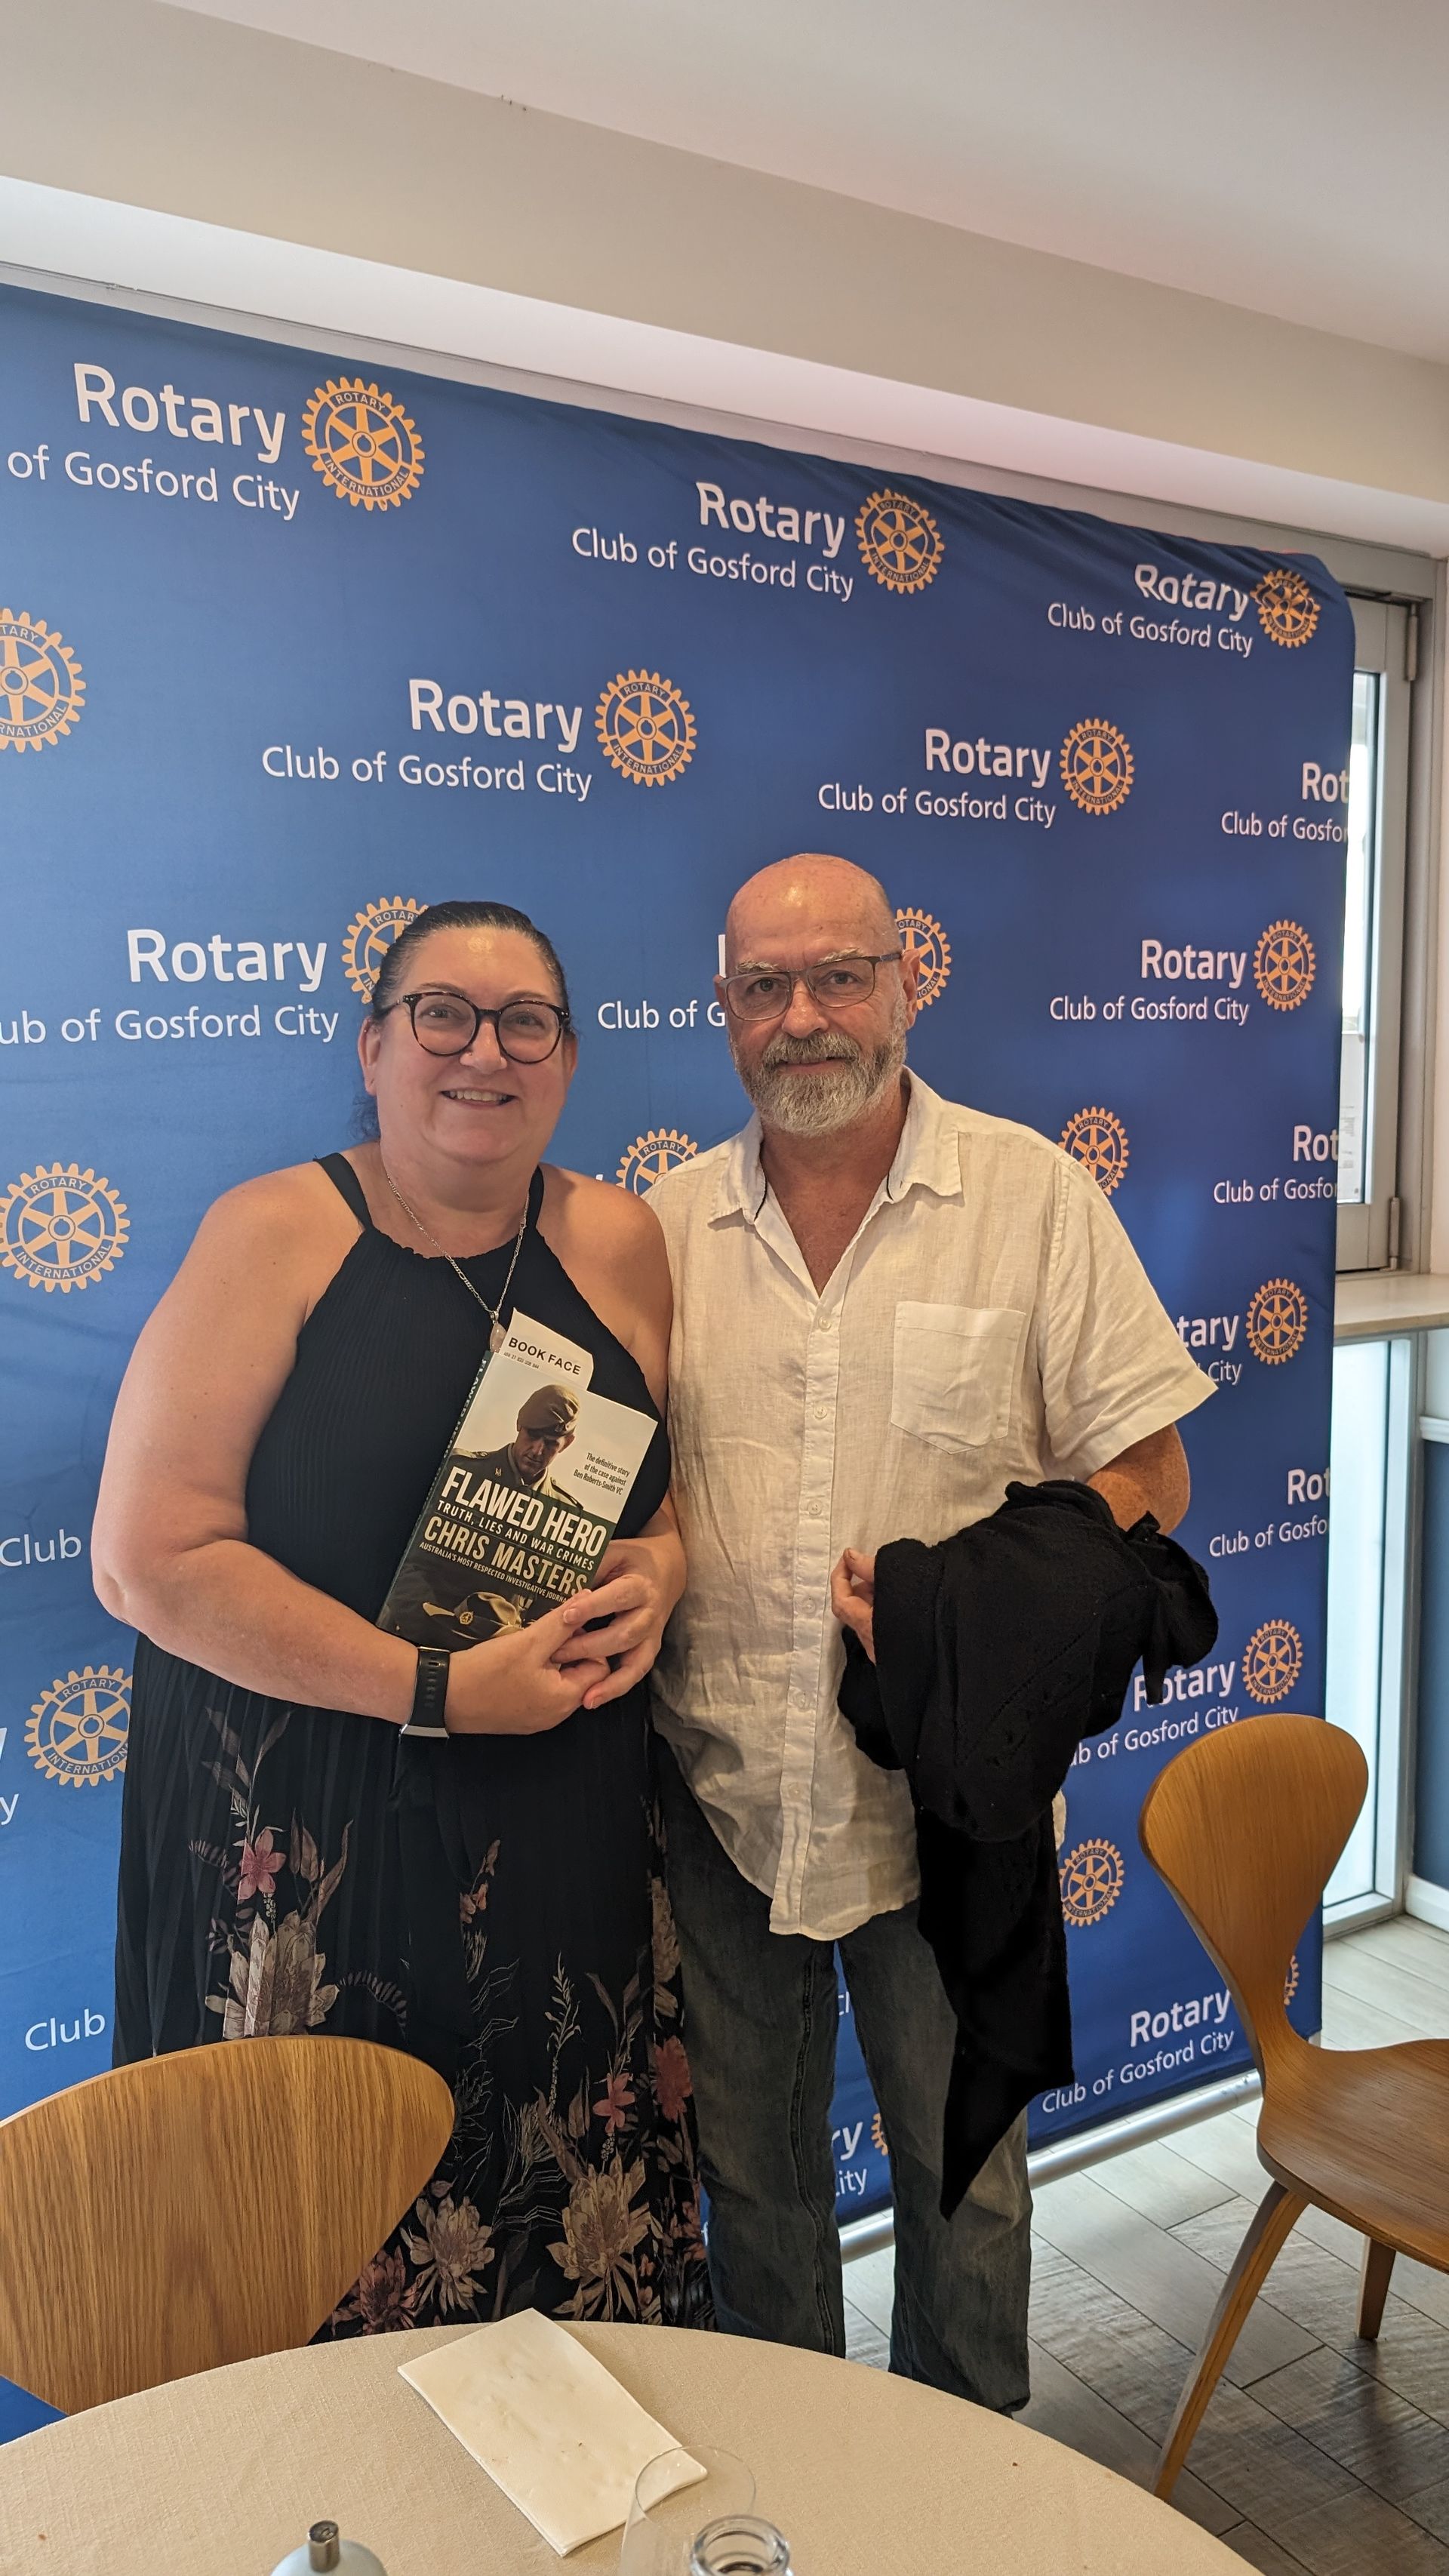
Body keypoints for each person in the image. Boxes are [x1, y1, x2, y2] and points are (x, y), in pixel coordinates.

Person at [93, 899, 709, 2333]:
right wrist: (436, 1686)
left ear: (566, 1060)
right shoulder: (275, 1232)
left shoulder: (620, 1238)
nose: (482, 1050)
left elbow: (655, 1502)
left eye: (524, 1022)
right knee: (313, 2262)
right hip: (317, 1845)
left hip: (563, 1838)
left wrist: (667, 1572)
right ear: (374, 1046)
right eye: (442, 1013)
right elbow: (149, 1559)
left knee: (561, 2253)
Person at [648, 852, 1211, 2408]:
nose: (805, 1018)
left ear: (911, 980)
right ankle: (800, 2478)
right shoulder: (666, 1223)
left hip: (947, 1803)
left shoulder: (1030, 1195)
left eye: (840, 975)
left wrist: (972, 1593)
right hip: (723, 1799)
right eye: (765, 986)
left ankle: (959, 2492)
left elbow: (1151, 1466)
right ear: (723, 1012)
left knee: (967, 2184)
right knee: (754, 2187)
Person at [466, 1383, 580, 1501]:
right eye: (533, 1435)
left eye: (551, 1443)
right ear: (519, 1423)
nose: (537, 1451)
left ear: (566, 1444)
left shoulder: (565, 1509)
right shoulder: (462, 1469)